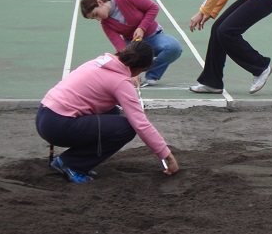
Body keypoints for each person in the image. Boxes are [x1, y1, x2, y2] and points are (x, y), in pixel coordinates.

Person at [36, 41, 180, 184]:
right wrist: (167, 156)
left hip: (44, 115)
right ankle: (71, 163)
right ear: (140, 68)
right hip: (58, 126)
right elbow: (140, 124)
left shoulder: (100, 62)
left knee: (112, 112)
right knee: (127, 128)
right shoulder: (120, 82)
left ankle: (75, 159)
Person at [80, 0, 182, 87]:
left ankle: (152, 74)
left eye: (96, 14)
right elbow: (121, 47)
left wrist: (142, 28)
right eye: (94, 18)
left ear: (100, 2)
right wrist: (133, 71)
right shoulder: (105, 24)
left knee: (174, 47)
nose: (98, 19)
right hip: (133, 45)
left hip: (154, 36)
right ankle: (136, 71)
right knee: (120, 63)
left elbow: (153, 8)